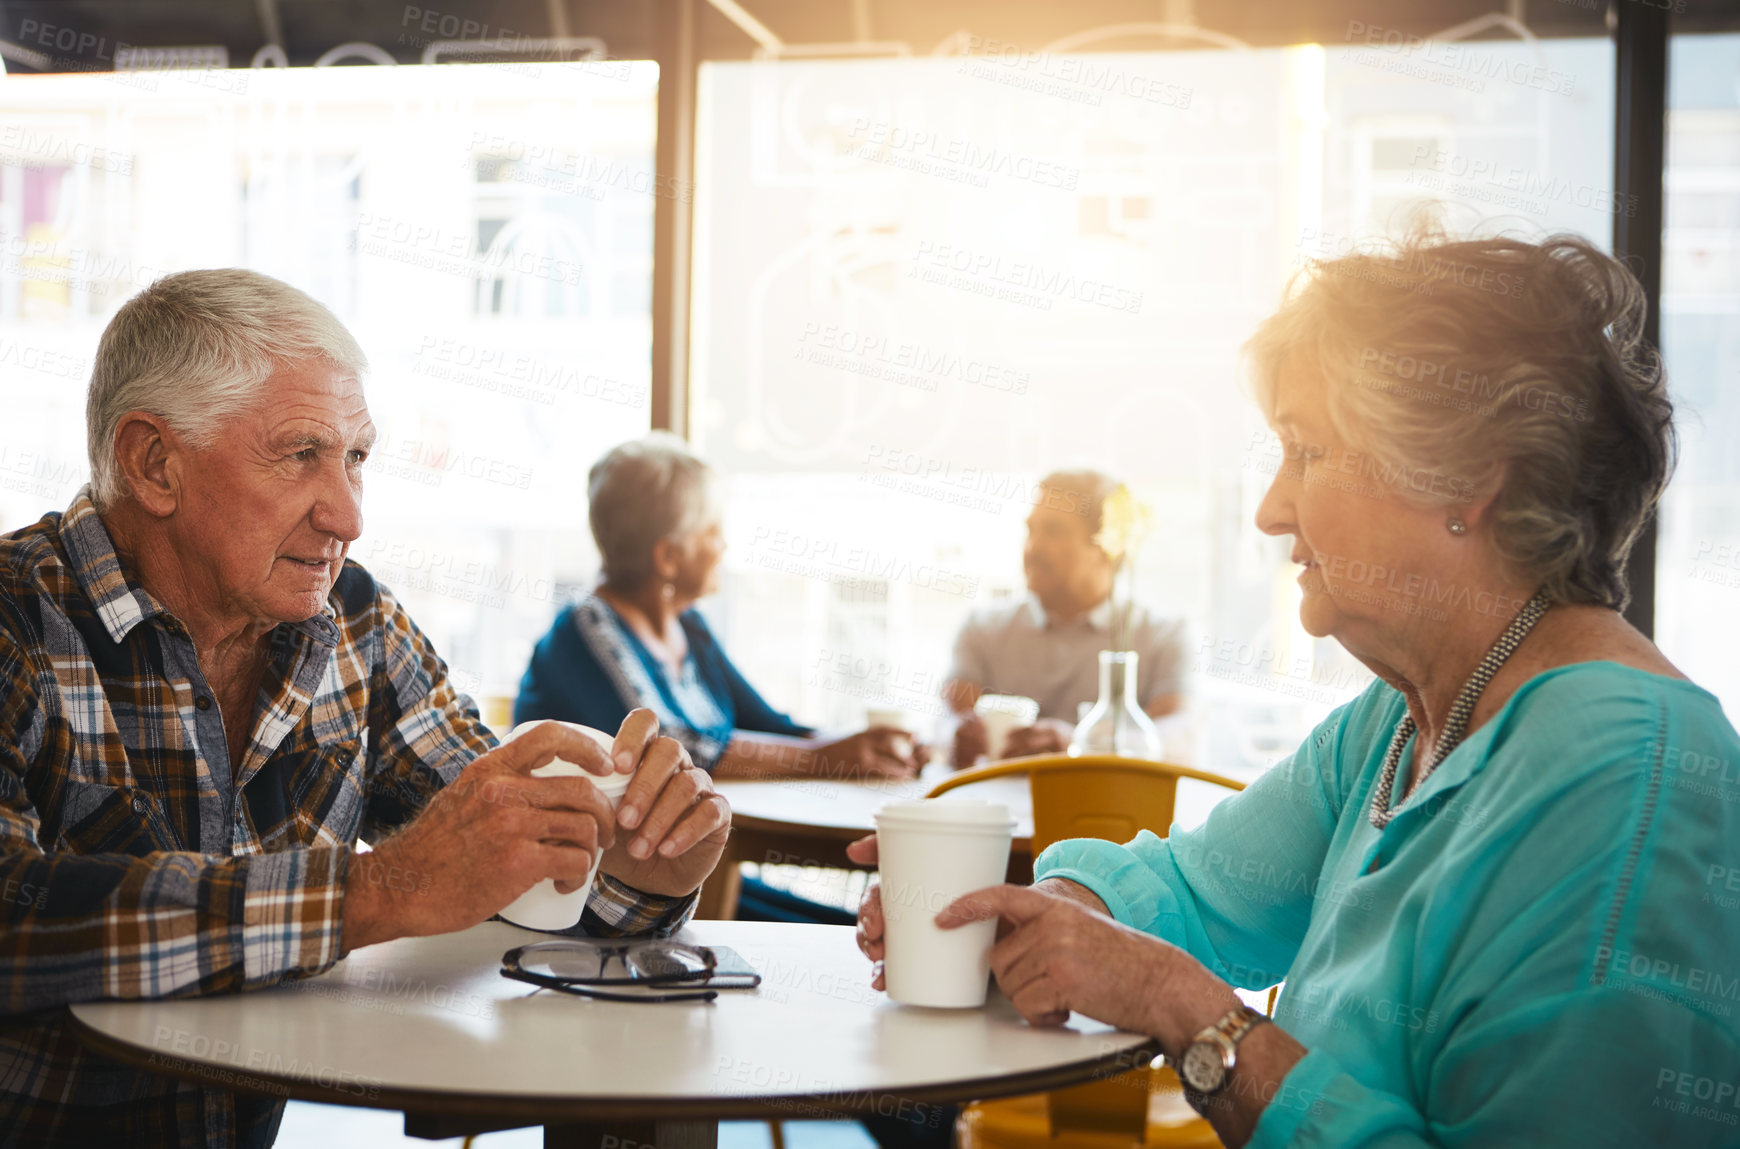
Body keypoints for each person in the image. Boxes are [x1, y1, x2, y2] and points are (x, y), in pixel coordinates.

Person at [853, 232, 1740, 1148]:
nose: (1272, 509)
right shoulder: (1400, 722)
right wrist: (1030, 923)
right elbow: (1192, 890)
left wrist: (1184, 1008)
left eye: (1307, 452)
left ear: (1466, 480)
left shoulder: (1630, 772)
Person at [0, 270, 731, 1149]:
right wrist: (381, 889)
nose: (348, 513)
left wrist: (641, 872)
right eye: (301, 452)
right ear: (154, 463)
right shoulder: (15, 619)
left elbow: (522, 893)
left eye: (355, 457)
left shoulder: (355, 623)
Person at [514, 434, 927, 922]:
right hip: (602, 899)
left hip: (683, 874)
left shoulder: (687, 625)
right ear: (668, 556)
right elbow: (677, 748)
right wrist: (825, 758)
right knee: (850, 932)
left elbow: (769, 723)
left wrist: (869, 748)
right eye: (712, 530)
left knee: (861, 926)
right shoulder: (583, 631)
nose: (724, 544)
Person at [941, 469, 1187, 767]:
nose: (1032, 547)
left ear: (1107, 546)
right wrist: (955, 734)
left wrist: (1079, 744)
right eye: (1031, 530)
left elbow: (1178, 736)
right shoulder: (982, 629)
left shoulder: (1162, 636)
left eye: (1053, 531)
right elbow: (946, 719)